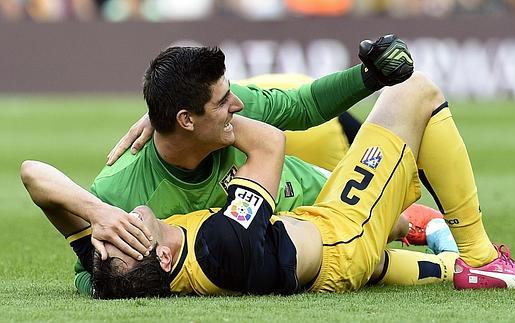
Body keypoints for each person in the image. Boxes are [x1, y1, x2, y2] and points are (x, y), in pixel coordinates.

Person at [64, 35, 416, 295]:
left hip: (316, 192)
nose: (238, 103)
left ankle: (448, 237)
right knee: (376, 256)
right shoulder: (120, 191)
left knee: (403, 220)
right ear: (186, 120)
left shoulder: (226, 111)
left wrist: (371, 78)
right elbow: (89, 273)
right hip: (291, 240)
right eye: (223, 100)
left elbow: (303, 106)